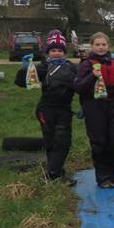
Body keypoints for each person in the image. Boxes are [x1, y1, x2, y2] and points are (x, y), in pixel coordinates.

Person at [14, 30, 77, 184]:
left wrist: (85, 105)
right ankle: (56, 174)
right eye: (53, 50)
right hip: (46, 109)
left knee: (63, 142)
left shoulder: (72, 67)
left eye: (60, 50)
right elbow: (22, 83)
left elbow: (82, 86)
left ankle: (52, 173)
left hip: (64, 110)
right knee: (50, 142)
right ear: (48, 52)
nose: (56, 53)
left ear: (64, 52)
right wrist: (24, 69)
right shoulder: (43, 67)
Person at [74, 32, 114, 189]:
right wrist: (92, 76)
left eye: (104, 44)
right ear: (92, 46)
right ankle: (103, 177)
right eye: (97, 44)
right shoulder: (86, 64)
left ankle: (112, 174)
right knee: (100, 142)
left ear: (108, 46)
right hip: (94, 107)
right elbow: (78, 87)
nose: (101, 47)